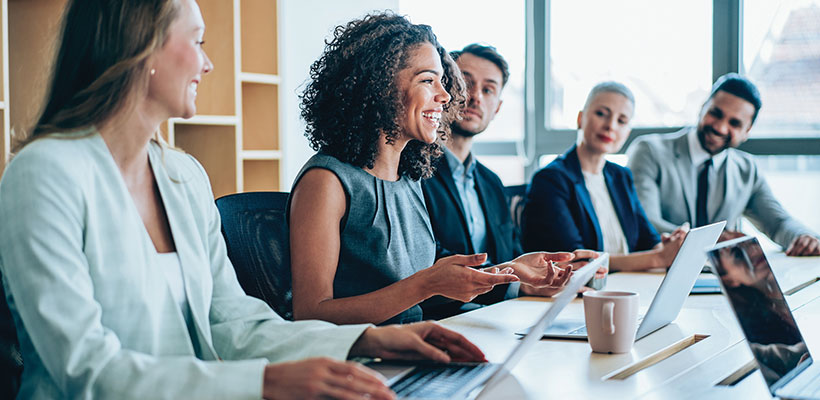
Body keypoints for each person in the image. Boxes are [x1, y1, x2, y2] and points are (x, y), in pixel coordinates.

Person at [0, 2, 488, 399]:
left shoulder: (181, 175)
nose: (208, 63)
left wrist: (369, 339)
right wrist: (263, 381)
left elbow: (233, 322)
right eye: (198, 43)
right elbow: (82, 368)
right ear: (139, 49)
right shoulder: (45, 174)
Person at [289, 14, 578, 327]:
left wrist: (511, 270)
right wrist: (425, 285)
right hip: (364, 363)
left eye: (443, 81)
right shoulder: (326, 181)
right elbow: (311, 313)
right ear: (379, 84)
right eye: (428, 80)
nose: (447, 96)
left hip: (415, 345)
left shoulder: (409, 178)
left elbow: (437, 281)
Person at [421, 44, 602, 319]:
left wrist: (546, 275)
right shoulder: (415, 171)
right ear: (445, 90)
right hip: (444, 317)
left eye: (488, 89)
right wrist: (516, 284)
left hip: (499, 314)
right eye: (465, 83)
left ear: (497, 108)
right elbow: (426, 258)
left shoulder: (491, 182)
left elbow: (513, 255)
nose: (475, 97)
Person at [627, 73, 820, 256]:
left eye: (734, 123)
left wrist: (803, 238)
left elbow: (778, 223)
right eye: (715, 113)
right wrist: (712, 240)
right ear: (702, 107)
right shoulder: (649, 151)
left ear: (747, 131)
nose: (720, 127)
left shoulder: (747, 170)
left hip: (722, 280)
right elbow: (644, 222)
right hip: (656, 274)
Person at [522, 82, 688, 272]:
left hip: (629, 285)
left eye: (622, 121)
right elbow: (577, 261)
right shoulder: (550, 180)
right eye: (601, 114)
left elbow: (648, 240)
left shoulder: (621, 176)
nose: (610, 126)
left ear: (627, 133)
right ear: (580, 118)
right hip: (580, 293)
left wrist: (670, 247)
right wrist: (658, 258)